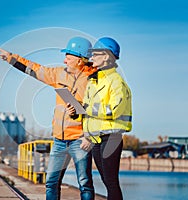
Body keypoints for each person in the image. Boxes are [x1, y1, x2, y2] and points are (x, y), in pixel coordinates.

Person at [0, 36, 96, 200]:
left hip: (81, 139)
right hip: (59, 140)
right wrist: (11, 58)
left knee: (85, 184)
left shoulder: (94, 80)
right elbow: (34, 69)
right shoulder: (58, 74)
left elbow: (98, 108)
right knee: (51, 183)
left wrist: (80, 109)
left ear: (80, 59)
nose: (64, 61)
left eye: (68, 57)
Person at [66, 37, 132, 200]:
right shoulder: (94, 81)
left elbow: (115, 109)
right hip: (96, 137)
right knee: (105, 180)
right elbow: (90, 112)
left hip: (111, 137)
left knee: (111, 181)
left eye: (95, 54)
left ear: (106, 56)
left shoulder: (116, 81)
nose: (92, 58)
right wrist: (76, 111)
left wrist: (88, 109)